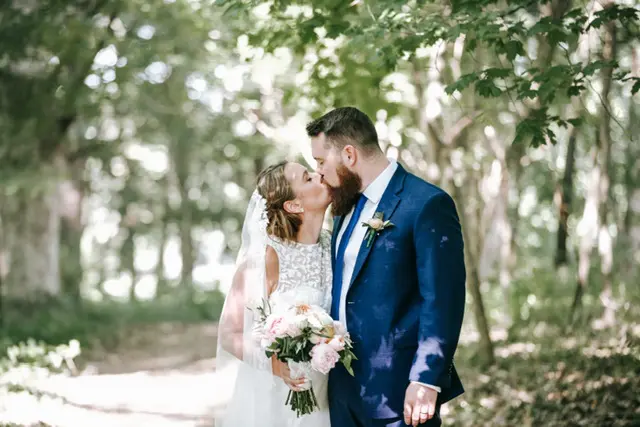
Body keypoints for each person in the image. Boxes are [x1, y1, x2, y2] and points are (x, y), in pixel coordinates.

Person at [308, 107, 466, 427]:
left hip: (399, 392)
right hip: (341, 391)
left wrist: (426, 379)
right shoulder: (343, 209)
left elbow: (443, 300)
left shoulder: (426, 204)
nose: (320, 173)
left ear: (349, 155)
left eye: (321, 162)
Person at [215, 161, 332, 427]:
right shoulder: (265, 258)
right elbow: (229, 333)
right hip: (279, 401)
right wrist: (276, 366)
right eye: (307, 177)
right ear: (294, 205)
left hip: (328, 396)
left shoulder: (333, 245)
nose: (318, 174)